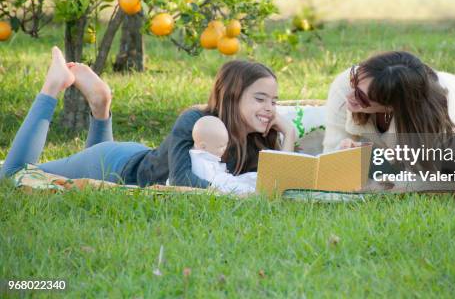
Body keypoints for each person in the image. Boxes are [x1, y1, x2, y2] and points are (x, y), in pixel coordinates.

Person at [0, 47, 296, 188]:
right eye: (260, 99)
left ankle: (101, 106)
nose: (270, 108)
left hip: (137, 154)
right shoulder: (196, 121)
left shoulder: (259, 138)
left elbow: (283, 184)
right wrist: (236, 194)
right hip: (116, 165)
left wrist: (289, 136)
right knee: (12, 175)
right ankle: (53, 85)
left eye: (274, 100)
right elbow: (182, 182)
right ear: (232, 96)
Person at [323, 51, 455, 174]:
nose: (349, 95)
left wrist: (373, 162)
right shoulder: (346, 85)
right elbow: (331, 159)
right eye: (354, 80)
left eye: (361, 97)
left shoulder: (437, 119)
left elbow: (425, 180)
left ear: (391, 106)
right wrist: (345, 154)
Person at [188, 116, 257, 194]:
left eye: (226, 144)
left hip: (226, 179)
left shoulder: (207, 154)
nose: (225, 149)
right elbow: (212, 185)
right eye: (220, 146)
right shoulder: (200, 163)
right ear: (203, 146)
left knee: (253, 177)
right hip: (221, 186)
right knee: (243, 188)